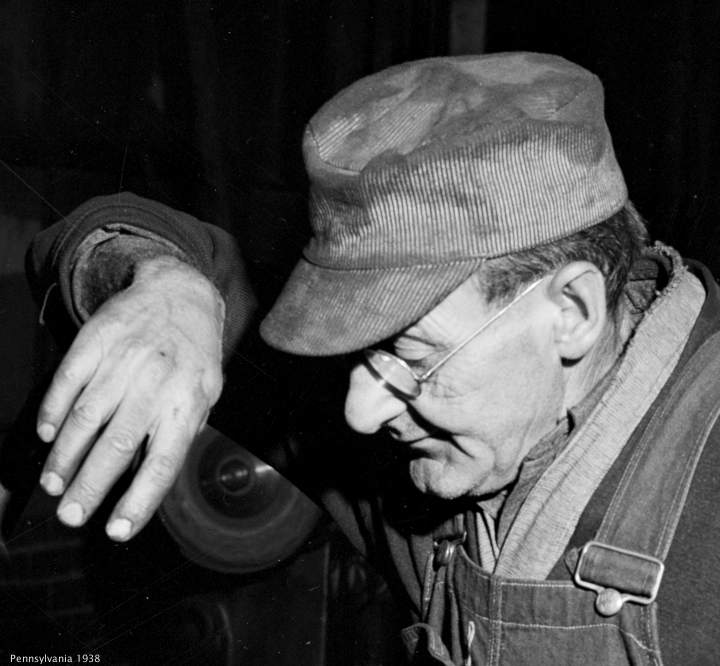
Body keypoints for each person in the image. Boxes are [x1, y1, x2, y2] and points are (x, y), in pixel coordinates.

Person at [23, 53, 720, 663]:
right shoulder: (427, 420)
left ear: (572, 312)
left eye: (412, 358)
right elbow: (107, 235)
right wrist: (158, 282)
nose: (359, 412)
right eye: (361, 353)